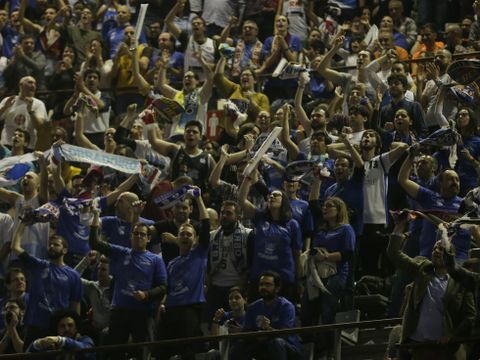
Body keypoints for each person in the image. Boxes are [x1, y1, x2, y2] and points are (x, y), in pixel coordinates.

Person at [387, 219, 476, 359]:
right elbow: (394, 254)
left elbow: (470, 316)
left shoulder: (461, 282)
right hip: (417, 346)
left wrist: (453, 335)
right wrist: (399, 226)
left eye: (441, 248)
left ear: (451, 254)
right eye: (434, 248)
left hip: (445, 349)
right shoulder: (423, 269)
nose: (436, 251)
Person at [89, 211, 167, 359]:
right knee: (114, 353)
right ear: (130, 236)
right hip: (119, 311)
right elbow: (94, 243)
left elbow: (163, 287)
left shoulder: (155, 260)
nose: (138, 236)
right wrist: (94, 217)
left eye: (142, 234)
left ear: (148, 238)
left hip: (141, 313)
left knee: (139, 353)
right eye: (136, 233)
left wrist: (146, 294)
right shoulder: (121, 252)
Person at [11, 221, 82, 349]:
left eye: (56, 244)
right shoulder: (38, 265)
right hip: (34, 326)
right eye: (49, 244)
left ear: (65, 250)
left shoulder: (73, 275)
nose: (51, 246)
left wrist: (74, 330)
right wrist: (22, 224)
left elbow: (75, 306)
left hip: (57, 329)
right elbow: (15, 247)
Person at [158, 187, 209, 360]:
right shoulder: (171, 264)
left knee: (188, 352)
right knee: (163, 350)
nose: (185, 236)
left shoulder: (199, 254)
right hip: (171, 309)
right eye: (182, 234)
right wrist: (162, 304)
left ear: (195, 239)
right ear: (177, 238)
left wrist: (199, 199)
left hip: (191, 308)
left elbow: (206, 224)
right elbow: (168, 288)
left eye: (189, 234)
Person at [238, 164, 302, 302]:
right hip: (259, 277)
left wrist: (300, 278)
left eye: (276, 195)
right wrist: (248, 178)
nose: (271, 197)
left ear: (284, 201)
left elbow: (297, 254)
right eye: (270, 196)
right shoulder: (260, 218)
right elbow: (241, 201)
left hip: (284, 278)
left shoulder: (292, 224)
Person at [302, 196, 356, 357]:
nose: (324, 208)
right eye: (324, 206)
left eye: (329, 206)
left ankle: (328, 350)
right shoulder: (321, 229)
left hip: (337, 273)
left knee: (327, 311)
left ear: (339, 210)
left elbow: (348, 254)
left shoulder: (346, 229)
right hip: (316, 273)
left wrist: (326, 257)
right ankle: (308, 349)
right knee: (306, 309)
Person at [229, 271, 305, 360]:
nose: (263, 287)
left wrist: (268, 329)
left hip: (288, 348)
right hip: (262, 345)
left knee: (277, 342)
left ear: (277, 288)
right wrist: (246, 332)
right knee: (239, 345)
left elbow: (284, 334)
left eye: (268, 284)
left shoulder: (286, 306)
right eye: (261, 284)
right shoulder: (253, 307)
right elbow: (248, 331)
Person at [205, 200, 254, 325]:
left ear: (237, 216)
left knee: (234, 325)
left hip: (237, 287)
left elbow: (251, 264)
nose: (224, 216)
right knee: (214, 324)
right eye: (222, 213)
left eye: (228, 213)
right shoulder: (212, 236)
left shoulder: (248, 235)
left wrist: (240, 287)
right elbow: (208, 266)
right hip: (216, 288)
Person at [0, 76, 48, 150]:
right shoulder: (9, 100)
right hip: (7, 144)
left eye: (35, 84)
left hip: (28, 146)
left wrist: (31, 111)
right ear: (21, 85)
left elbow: (40, 127)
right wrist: (5, 107)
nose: (33, 85)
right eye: (30, 82)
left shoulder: (39, 104)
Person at [27, 309, 94, 359]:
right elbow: (27, 356)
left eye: (70, 325)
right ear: (57, 329)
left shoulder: (85, 339)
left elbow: (87, 352)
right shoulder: (51, 345)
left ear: (76, 328)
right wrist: (37, 344)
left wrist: (61, 340)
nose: (67, 329)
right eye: (62, 326)